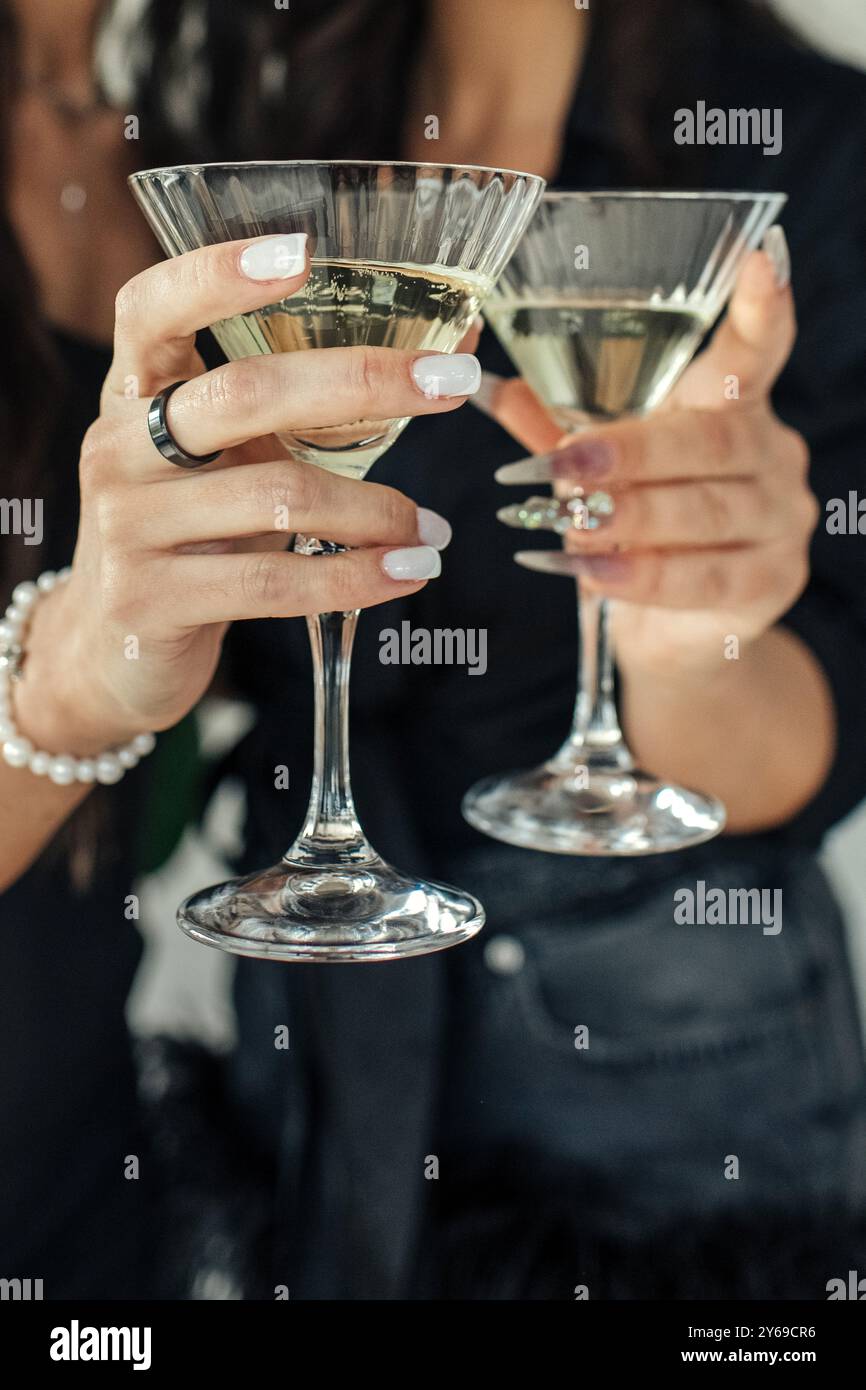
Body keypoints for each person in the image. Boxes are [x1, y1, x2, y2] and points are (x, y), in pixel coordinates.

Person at [1, 0, 865, 1298]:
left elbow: (821, 736)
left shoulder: (801, 138)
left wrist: (687, 648)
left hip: (663, 1089)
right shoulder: (268, 105)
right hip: (311, 1059)